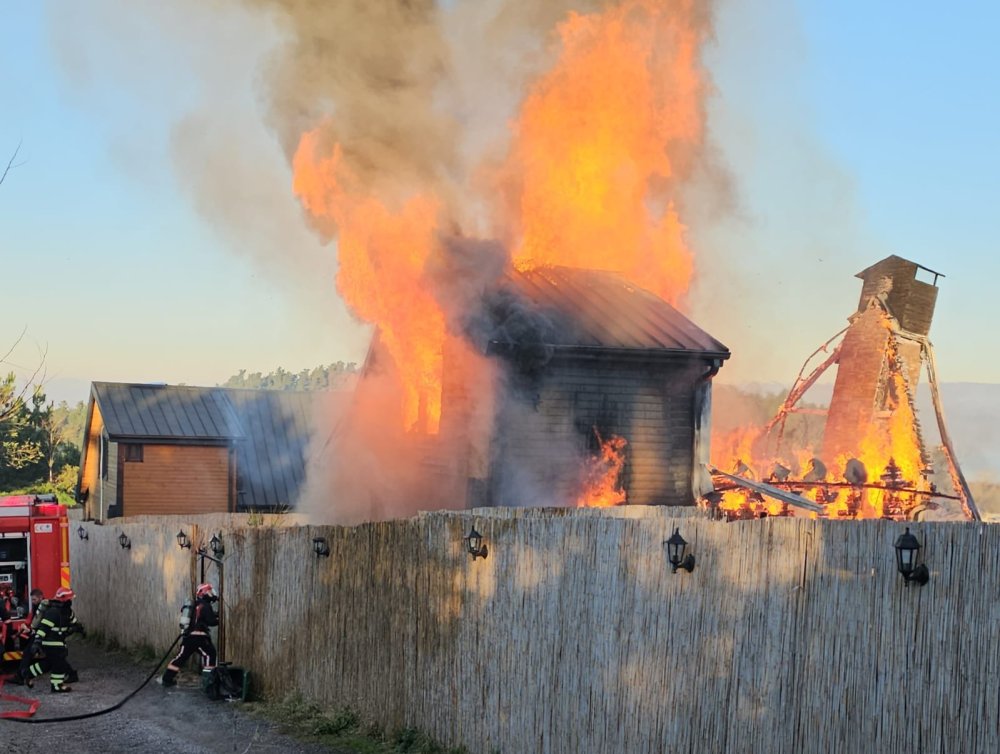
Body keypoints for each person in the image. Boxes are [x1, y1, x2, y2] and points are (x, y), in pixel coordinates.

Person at [25, 586, 84, 693]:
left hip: (59, 641)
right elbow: (44, 628)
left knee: (49, 664)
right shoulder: (53, 612)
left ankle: (28, 673)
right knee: (59, 663)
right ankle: (56, 685)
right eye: (69, 599)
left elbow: (74, 622)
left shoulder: (68, 612)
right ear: (64, 600)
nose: (70, 601)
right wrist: (37, 642)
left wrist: (78, 628)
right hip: (52, 642)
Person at [160, 583, 218, 687]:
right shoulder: (205, 605)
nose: (212, 594)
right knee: (210, 654)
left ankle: (167, 679)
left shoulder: (195, 605)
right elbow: (211, 621)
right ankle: (210, 683)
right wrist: (219, 618)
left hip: (188, 637)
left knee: (180, 657)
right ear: (204, 593)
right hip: (200, 638)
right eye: (209, 591)